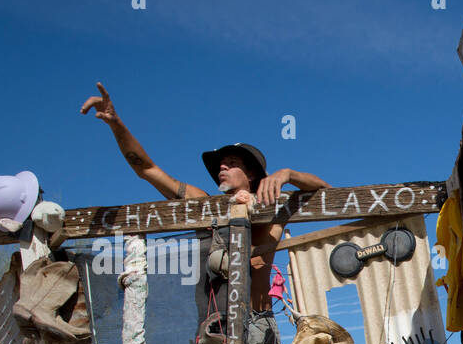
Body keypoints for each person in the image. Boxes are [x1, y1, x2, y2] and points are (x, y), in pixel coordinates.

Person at [80, 81, 329, 309]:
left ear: (252, 174)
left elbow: (327, 193)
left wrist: (288, 174)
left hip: (256, 324)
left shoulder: (273, 209)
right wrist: (115, 123)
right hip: (212, 329)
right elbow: (145, 168)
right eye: (221, 164)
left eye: (231, 163)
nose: (222, 167)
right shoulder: (203, 206)